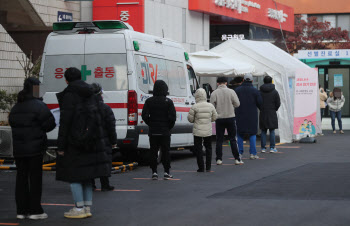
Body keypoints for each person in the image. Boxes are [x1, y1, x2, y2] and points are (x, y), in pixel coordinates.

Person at [56, 67, 111, 218]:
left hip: (75, 142)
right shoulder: (91, 94)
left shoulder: (69, 95)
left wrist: (61, 146)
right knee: (88, 175)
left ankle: (78, 209)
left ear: (66, 80)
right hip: (93, 140)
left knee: (74, 175)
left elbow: (65, 122)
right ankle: (86, 207)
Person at [9, 77, 56, 220]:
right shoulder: (39, 105)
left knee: (21, 178)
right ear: (36, 88)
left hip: (19, 149)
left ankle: (21, 211)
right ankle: (35, 210)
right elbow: (50, 125)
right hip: (35, 148)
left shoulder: (16, 107)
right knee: (35, 179)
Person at [141, 80, 176, 180]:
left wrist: (150, 123)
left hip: (153, 131)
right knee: (166, 152)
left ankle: (154, 172)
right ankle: (166, 172)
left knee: (153, 151)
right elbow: (172, 117)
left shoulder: (149, 101)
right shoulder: (168, 102)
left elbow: (144, 115)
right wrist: (168, 127)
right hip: (165, 131)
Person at [91, 83, 117, 191]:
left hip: (89, 140)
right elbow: (111, 126)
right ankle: (105, 184)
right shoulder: (106, 108)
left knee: (90, 162)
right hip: (104, 139)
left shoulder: (85, 107)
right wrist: (113, 141)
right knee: (104, 161)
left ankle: (91, 184)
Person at [210, 77, 242, 165]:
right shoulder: (231, 92)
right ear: (226, 83)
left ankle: (219, 159)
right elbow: (237, 104)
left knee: (219, 139)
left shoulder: (214, 93)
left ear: (217, 83)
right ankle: (237, 158)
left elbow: (211, 106)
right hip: (230, 117)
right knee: (232, 139)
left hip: (219, 118)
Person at [188, 88, 218, 172]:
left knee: (198, 149)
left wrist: (195, 121)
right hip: (208, 130)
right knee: (208, 148)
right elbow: (215, 117)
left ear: (196, 96)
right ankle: (208, 167)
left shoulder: (194, 106)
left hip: (197, 130)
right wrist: (209, 120)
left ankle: (201, 167)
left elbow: (190, 119)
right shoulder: (210, 106)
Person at [235, 73, 263, 160]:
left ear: (243, 80)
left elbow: (234, 102)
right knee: (252, 133)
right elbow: (260, 104)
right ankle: (253, 153)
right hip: (252, 115)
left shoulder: (237, 90)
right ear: (252, 80)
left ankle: (239, 153)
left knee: (239, 133)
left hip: (239, 114)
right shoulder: (255, 91)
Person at [259, 75, 281, 153]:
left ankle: (263, 148)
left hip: (263, 112)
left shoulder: (260, 91)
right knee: (272, 130)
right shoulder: (275, 92)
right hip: (272, 112)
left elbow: (258, 102)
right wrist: (274, 109)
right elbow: (278, 103)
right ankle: (272, 148)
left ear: (263, 81)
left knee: (263, 131)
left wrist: (261, 108)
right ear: (271, 81)